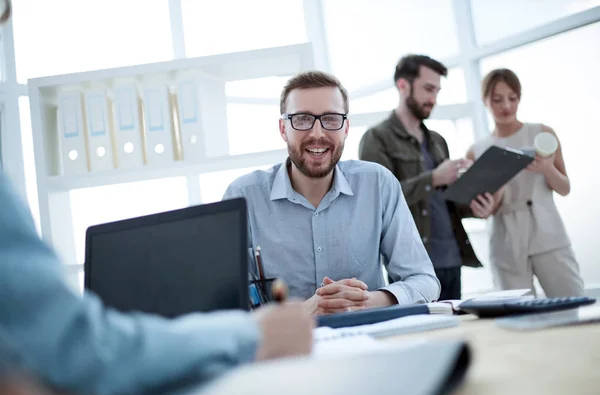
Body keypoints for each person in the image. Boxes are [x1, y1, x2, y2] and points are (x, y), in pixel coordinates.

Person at [0, 1, 313, 395]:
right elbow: (76, 350)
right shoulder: (245, 191)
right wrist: (253, 334)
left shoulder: (376, 183)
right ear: (282, 128)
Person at [223, 70, 440, 315]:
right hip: (286, 348)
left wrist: (364, 301)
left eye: (331, 119)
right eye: (303, 119)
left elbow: (424, 281)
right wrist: (305, 312)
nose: (317, 133)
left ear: (346, 128)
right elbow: (229, 307)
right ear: (283, 129)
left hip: (367, 340)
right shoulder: (242, 197)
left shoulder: (378, 184)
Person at [359, 54, 494, 300]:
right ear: (403, 85)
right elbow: (377, 200)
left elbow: (445, 202)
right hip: (413, 268)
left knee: (454, 330)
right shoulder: (376, 138)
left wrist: (476, 207)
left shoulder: (437, 140)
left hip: (452, 257)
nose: (433, 99)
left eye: (437, 91)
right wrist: (432, 178)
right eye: (428, 89)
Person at [466, 68, 584, 297]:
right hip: (505, 239)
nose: (506, 106)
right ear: (485, 101)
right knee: (517, 314)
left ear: (519, 97)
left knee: (573, 302)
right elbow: (484, 205)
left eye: (512, 98)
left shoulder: (541, 133)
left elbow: (564, 188)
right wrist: (486, 208)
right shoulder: (477, 150)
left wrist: (547, 168)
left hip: (547, 230)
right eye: (497, 99)